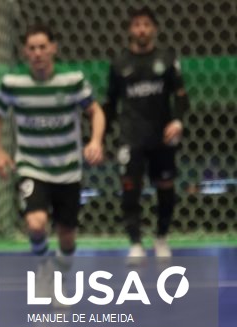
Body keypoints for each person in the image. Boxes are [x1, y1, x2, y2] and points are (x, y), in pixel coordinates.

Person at [0, 23, 105, 272]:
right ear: (25, 53)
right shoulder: (13, 84)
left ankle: (60, 277)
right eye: (32, 48)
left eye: (42, 47)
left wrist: (95, 141)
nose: (38, 53)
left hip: (68, 170)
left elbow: (95, 112)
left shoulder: (72, 81)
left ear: (53, 48)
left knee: (67, 236)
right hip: (32, 167)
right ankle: (44, 268)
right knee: (36, 224)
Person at [104, 6, 189, 262]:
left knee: (165, 186)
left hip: (162, 137)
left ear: (154, 29)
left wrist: (177, 120)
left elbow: (182, 97)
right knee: (130, 188)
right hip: (131, 138)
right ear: (130, 29)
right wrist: (99, 139)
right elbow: (109, 103)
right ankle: (135, 242)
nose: (141, 29)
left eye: (146, 24)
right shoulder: (119, 64)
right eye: (137, 24)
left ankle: (161, 237)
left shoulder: (167, 58)